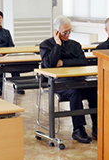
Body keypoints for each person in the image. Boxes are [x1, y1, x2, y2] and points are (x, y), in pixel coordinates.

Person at [40, 16, 97, 144]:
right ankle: (78, 129)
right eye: (64, 32)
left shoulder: (75, 45)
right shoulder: (46, 45)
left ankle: (97, 126)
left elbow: (82, 62)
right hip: (59, 83)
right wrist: (58, 45)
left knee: (94, 90)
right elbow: (49, 64)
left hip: (77, 79)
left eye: (69, 31)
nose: (67, 35)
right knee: (74, 92)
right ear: (56, 31)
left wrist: (63, 63)